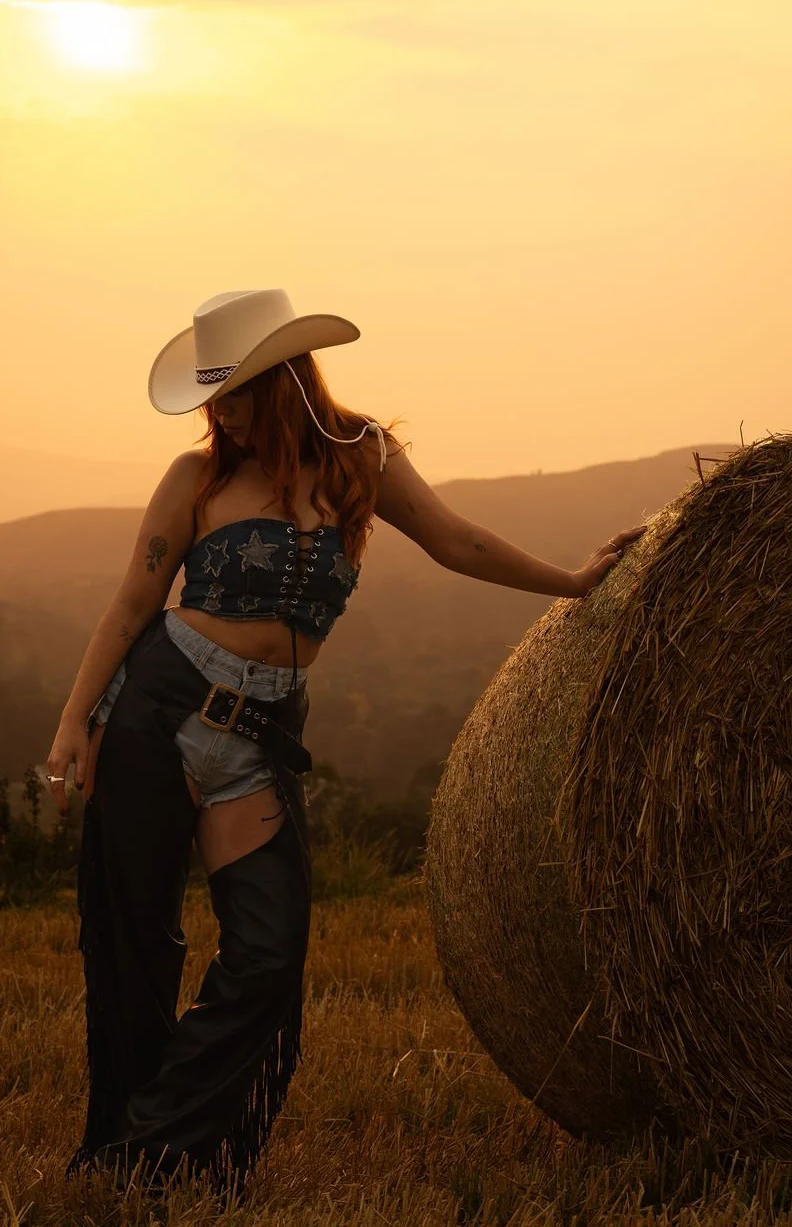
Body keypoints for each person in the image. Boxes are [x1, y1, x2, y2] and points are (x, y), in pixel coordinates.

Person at [46, 287, 645, 1198]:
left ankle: (149, 1150)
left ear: (283, 380)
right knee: (137, 942)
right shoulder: (194, 478)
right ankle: (133, 1166)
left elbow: (459, 541)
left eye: (235, 393)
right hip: (157, 713)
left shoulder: (363, 458)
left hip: (259, 737)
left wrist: (571, 583)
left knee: (269, 954)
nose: (220, 414)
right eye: (212, 398)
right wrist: (73, 722)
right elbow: (132, 606)